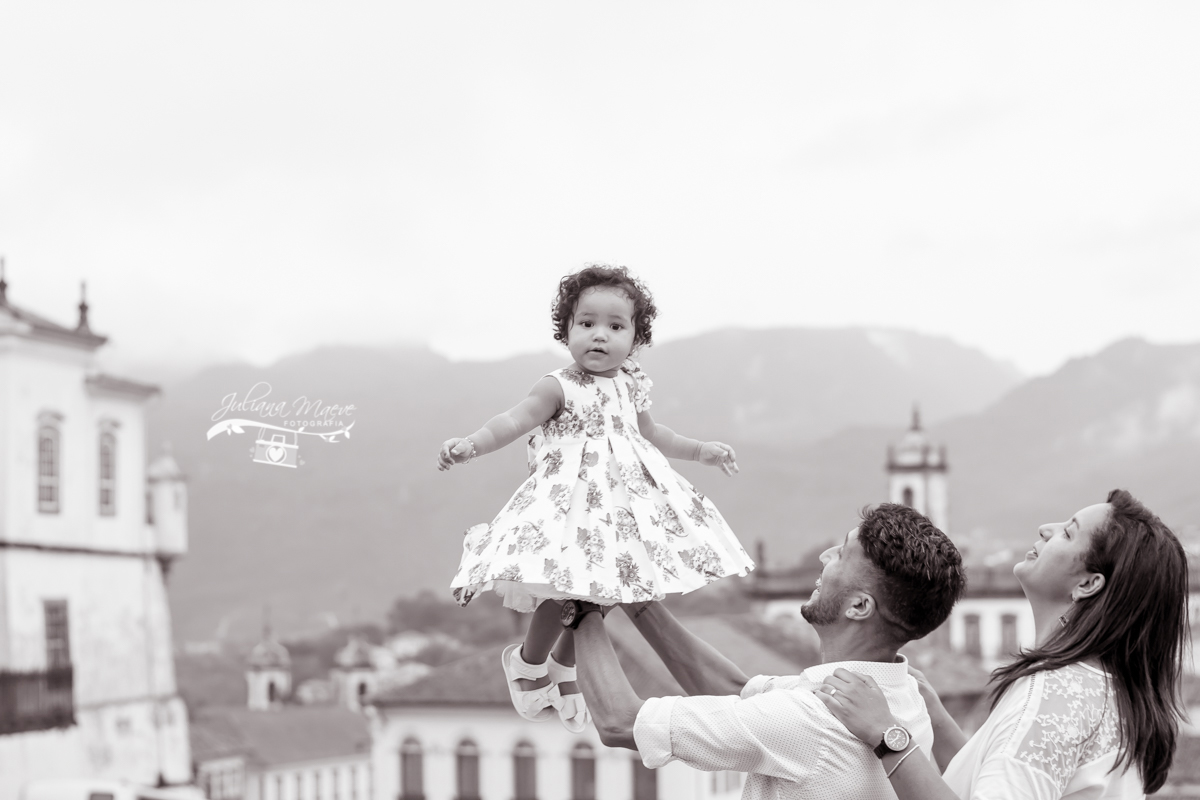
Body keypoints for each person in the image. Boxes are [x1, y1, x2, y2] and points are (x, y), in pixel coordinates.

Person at [437, 265, 754, 732]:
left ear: (635, 338)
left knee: (607, 587)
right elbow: (513, 420)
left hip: (621, 507)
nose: (599, 336)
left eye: (615, 326)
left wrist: (701, 451)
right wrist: (471, 444)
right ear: (566, 331)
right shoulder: (557, 386)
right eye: (586, 324)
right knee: (559, 587)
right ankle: (528, 662)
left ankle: (565, 667)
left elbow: (652, 434)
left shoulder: (631, 383)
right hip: (570, 506)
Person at [570, 503, 967, 800]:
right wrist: (633, 596)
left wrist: (579, 603)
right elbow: (733, 687)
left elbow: (619, 721)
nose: (823, 557)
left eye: (841, 554)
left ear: (859, 607)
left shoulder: (812, 720)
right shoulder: (900, 696)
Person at [816, 489, 1188, 799]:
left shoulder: (1054, 698)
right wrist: (937, 718)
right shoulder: (1101, 688)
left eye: (1069, 533)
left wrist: (887, 735)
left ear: (1088, 584)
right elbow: (1004, 782)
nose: (1046, 529)